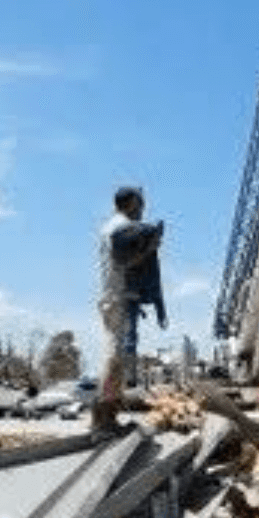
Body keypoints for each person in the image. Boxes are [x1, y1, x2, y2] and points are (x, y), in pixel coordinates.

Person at [94, 184, 165, 431]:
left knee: (118, 357)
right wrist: (150, 245)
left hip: (117, 297)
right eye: (141, 204)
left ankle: (108, 415)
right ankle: (103, 417)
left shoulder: (112, 226)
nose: (143, 210)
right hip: (117, 298)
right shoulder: (120, 227)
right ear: (132, 203)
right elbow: (123, 260)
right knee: (116, 357)